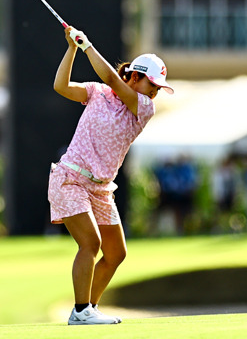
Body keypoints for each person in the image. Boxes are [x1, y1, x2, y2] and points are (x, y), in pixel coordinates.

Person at [49, 24, 173, 325]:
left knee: (116, 253)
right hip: (70, 179)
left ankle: (87, 307)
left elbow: (111, 78)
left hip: (101, 189)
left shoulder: (143, 108)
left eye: (157, 88)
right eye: (151, 85)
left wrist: (87, 45)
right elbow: (61, 87)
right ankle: (81, 312)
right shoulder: (97, 93)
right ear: (134, 76)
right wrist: (72, 48)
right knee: (90, 244)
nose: (154, 92)